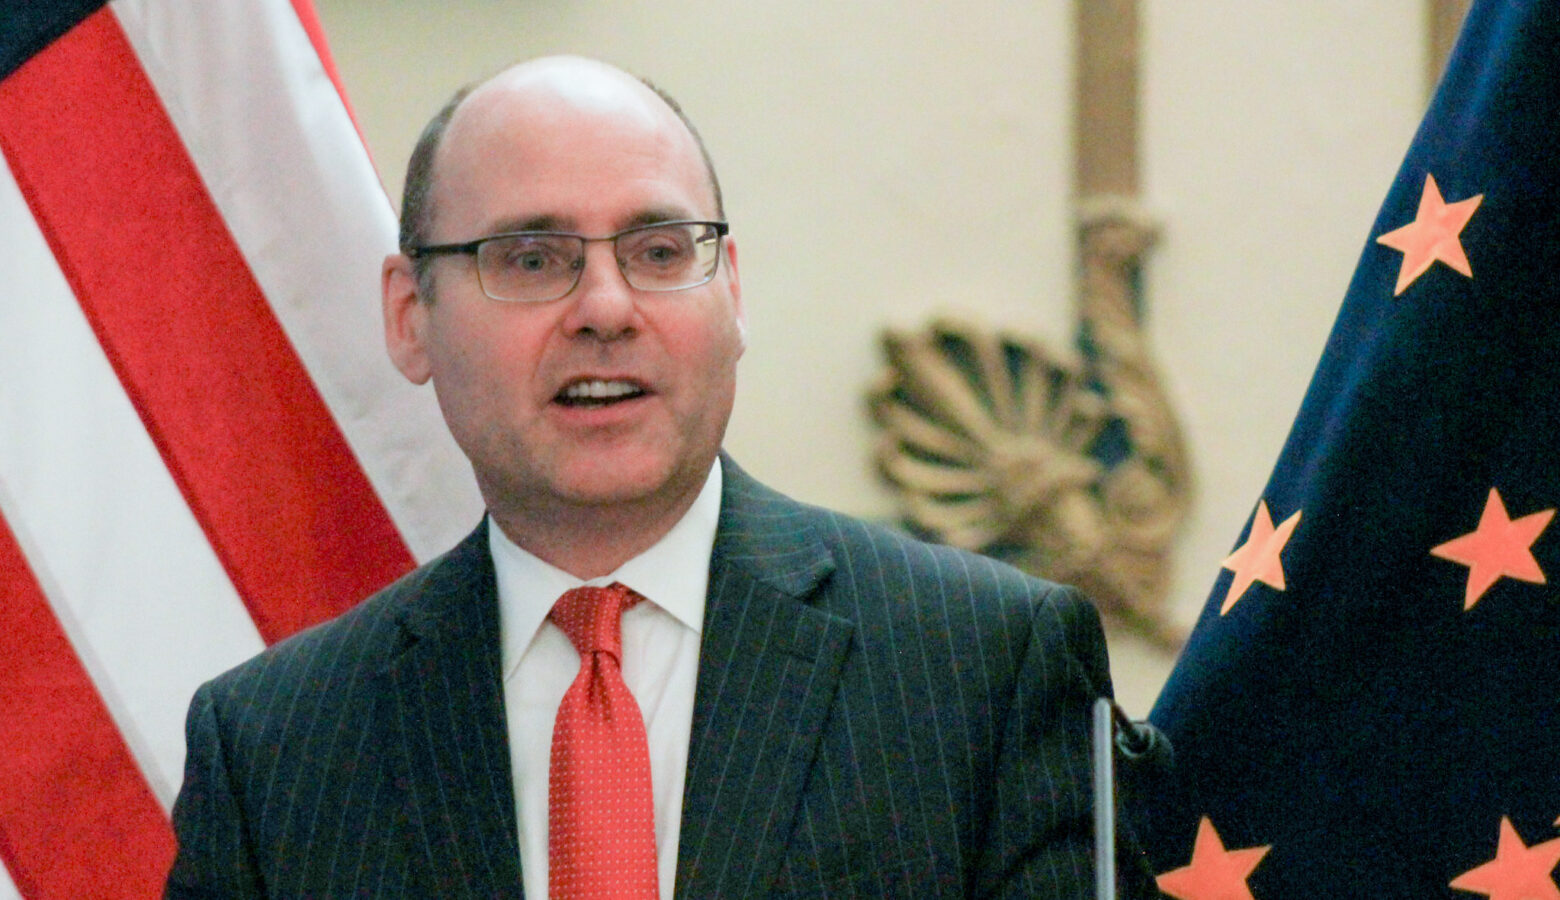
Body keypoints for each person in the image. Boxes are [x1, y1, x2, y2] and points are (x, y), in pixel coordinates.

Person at [164, 55, 1153, 899]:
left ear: (732, 292)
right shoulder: (271, 748)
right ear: (409, 317)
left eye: (659, 251)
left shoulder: (985, 669)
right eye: (531, 256)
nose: (605, 307)